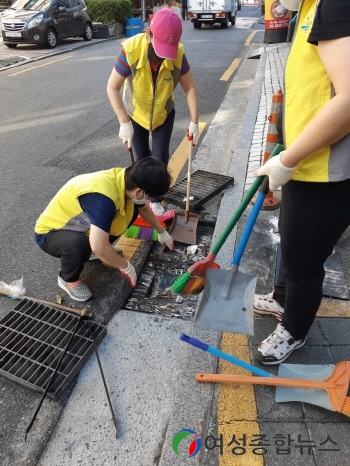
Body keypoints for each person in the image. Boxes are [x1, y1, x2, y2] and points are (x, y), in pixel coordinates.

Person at [253, 0, 350, 365]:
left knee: (303, 261)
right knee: (290, 244)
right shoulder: (311, 7)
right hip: (305, 164)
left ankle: (294, 330)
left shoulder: (337, 5)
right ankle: (281, 297)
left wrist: (287, 159)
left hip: (326, 172)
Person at [34, 158, 175, 302]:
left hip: (81, 227)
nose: (149, 200)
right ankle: (68, 279)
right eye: (149, 196)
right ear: (139, 191)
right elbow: (98, 245)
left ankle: (95, 252)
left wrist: (162, 232)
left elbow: (143, 208)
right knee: (79, 245)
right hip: (51, 232)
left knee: (130, 211)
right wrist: (125, 266)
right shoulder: (103, 198)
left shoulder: (126, 179)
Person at [107, 8, 199, 217]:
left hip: (163, 113)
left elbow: (190, 88)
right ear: (148, 33)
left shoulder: (178, 54)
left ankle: (156, 200)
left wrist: (194, 121)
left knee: (159, 160)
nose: (162, 55)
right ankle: (140, 202)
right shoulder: (130, 50)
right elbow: (112, 87)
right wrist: (124, 122)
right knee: (141, 160)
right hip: (135, 113)